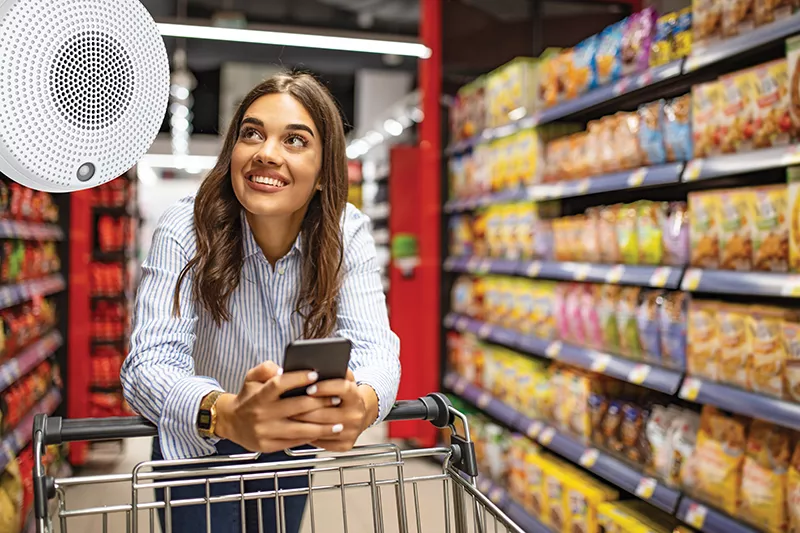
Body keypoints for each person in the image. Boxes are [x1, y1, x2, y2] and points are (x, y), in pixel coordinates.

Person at [120, 71, 401, 533]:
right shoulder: (186, 228)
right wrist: (227, 413)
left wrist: (364, 401)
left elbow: (376, 347)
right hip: (198, 442)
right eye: (251, 133)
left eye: (295, 140)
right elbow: (148, 363)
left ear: (323, 174)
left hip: (290, 443)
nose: (266, 153)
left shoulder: (344, 233)